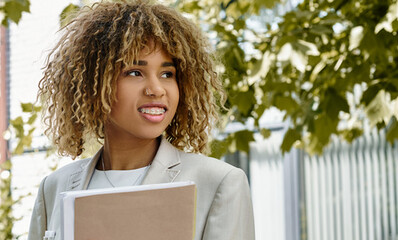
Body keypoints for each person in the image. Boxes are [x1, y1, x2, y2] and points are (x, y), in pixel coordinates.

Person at [28, 1, 255, 239]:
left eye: (168, 74)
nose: (157, 90)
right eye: (135, 72)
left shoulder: (219, 183)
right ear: (93, 86)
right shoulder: (53, 188)